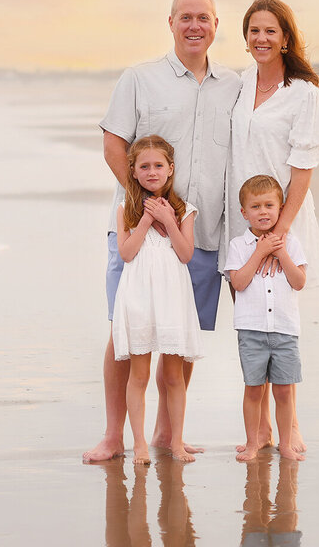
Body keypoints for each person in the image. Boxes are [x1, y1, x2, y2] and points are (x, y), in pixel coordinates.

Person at [83, 0, 241, 463]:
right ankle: (113, 435)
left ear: (217, 25)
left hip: (199, 233)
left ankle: (167, 433)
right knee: (125, 334)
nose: (195, 26)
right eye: (186, 17)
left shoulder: (234, 86)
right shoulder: (139, 79)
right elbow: (114, 146)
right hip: (138, 230)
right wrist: (147, 208)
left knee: (180, 334)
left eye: (204, 18)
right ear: (170, 22)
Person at [224, 0, 319, 453]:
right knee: (251, 321)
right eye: (254, 31)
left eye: (270, 31)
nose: (261, 38)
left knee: (280, 320)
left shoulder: (304, 94)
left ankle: (290, 426)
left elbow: (303, 167)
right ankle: (260, 428)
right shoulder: (241, 85)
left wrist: (278, 232)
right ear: (245, 40)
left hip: (280, 219)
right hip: (243, 221)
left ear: (286, 38)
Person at [111, 135, 203, 464]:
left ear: (170, 169)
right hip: (138, 294)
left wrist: (167, 220)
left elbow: (185, 253)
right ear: (133, 172)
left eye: (158, 166)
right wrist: (148, 219)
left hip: (171, 295)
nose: (152, 172)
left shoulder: (185, 210)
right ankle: (138, 443)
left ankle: (175, 441)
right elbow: (126, 252)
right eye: (144, 166)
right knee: (139, 374)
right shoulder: (126, 209)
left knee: (174, 375)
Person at [225, 175, 307, 462]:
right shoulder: (239, 245)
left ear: (281, 208)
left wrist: (280, 252)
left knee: (284, 392)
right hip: (252, 331)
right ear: (244, 212)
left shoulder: (293, 243)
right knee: (254, 390)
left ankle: (285, 443)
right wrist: (260, 253)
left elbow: (298, 282)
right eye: (256, 206)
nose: (263, 212)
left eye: (269, 205)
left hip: (284, 331)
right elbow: (239, 283)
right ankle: (252, 442)